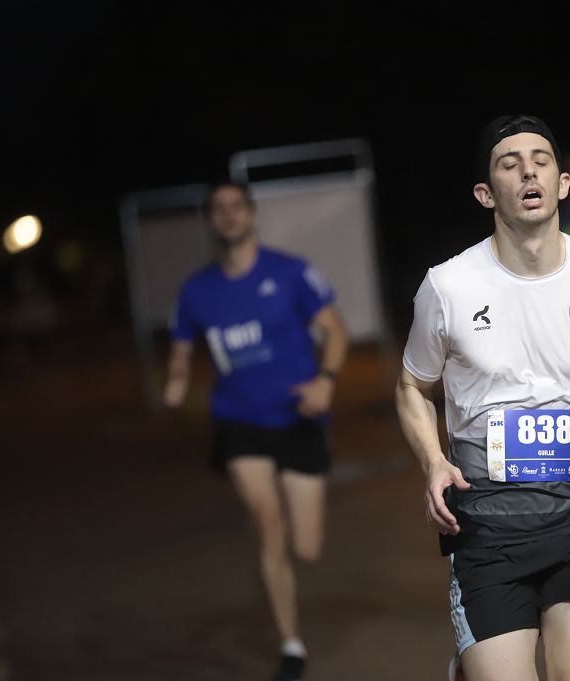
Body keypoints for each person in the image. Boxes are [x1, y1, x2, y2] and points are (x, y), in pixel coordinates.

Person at [395, 115, 570, 681]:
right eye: (509, 163)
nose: (528, 169)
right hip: (487, 526)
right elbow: (411, 385)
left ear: (564, 184)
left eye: (541, 160)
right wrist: (433, 462)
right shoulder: (448, 286)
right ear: (486, 193)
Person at [163, 182, 349, 681]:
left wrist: (326, 381)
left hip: (298, 418)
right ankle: (292, 645)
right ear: (210, 220)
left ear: (251, 215)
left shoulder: (289, 272)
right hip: (238, 419)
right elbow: (181, 348)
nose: (226, 215)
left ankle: (281, 550)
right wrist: (177, 383)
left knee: (306, 547)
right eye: (217, 209)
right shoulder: (196, 290)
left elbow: (335, 329)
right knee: (269, 525)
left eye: (235, 207)